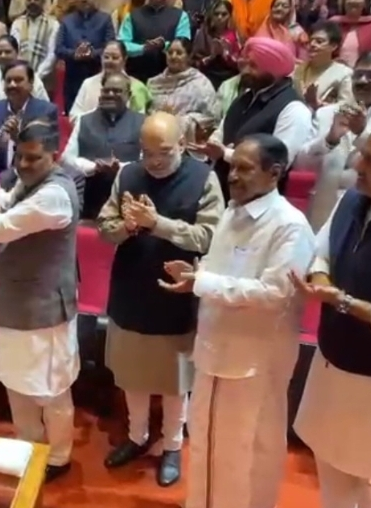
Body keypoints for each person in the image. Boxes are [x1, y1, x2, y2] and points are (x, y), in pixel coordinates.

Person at [160, 134, 316, 508]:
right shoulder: (232, 212)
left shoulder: (289, 226)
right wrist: (196, 275)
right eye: (233, 167)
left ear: (275, 173)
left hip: (254, 364)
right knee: (205, 443)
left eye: (245, 169)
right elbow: (219, 272)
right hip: (213, 352)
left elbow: (274, 293)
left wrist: (203, 282)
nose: (233, 176)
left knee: (245, 455)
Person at [97, 112, 224, 487]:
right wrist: (127, 226)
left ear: (182, 145)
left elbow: (209, 237)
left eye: (163, 152)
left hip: (175, 294)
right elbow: (104, 228)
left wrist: (158, 224)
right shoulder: (128, 175)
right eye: (146, 152)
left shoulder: (203, 178)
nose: (152, 161)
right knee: (132, 374)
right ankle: (137, 436)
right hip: (130, 288)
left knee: (174, 381)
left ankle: (172, 445)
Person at [293, 118, 371, 508]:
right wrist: (323, 281)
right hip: (331, 372)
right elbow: (321, 251)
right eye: (362, 155)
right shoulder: (352, 198)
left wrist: (346, 304)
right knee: (333, 487)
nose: (358, 166)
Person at [0, 122, 80, 482]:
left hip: (45, 310)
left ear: (54, 156)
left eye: (34, 158)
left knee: (51, 390)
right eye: (19, 156)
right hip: (16, 302)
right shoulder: (29, 182)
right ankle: (29, 445)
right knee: (16, 382)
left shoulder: (55, 194)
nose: (24, 164)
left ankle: (59, 457)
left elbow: (0, 226)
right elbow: (9, 203)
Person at [191, 37, 313, 202]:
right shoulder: (244, 97)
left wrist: (226, 154)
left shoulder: (294, 109)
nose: (245, 71)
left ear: (273, 71)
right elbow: (222, 131)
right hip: (225, 193)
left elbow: (278, 161)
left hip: (259, 202)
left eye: (253, 66)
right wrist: (210, 145)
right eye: (244, 64)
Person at [296, 50, 371, 232]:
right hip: (321, 213)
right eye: (358, 74)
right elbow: (301, 164)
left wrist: (361, 133)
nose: (362, 81)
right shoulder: (327, 113)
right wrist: (328, 141)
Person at [61, 73, 146, 219]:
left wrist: (120, 167)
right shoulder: (84, 120)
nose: (110, 95)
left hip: (128, 199)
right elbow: (67, 158)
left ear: (129, 95)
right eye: (106, 90)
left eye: (117, 91)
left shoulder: (143, 122)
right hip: (89, 196)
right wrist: (93, 167)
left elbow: (146, 160)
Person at [0, 61, 59, 178]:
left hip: (33, 177)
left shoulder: (46, 111)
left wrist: (19, 140)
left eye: (18, 80)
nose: (12, 85)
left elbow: (48, 152)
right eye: (8, 81)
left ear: (31, 83)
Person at [54, 0, 115, 115]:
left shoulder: (105, 19)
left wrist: (92, 54)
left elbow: (110, 47)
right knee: (73, 117)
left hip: (98, 76)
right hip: (72, 80)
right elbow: (59, 49)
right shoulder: (67, 21)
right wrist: (74, 54)